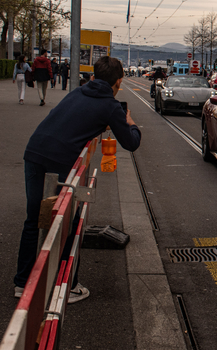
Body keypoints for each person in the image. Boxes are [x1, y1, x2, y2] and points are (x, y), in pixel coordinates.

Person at [14, 56, 141, 304]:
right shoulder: (111, 105)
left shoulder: (79, 91)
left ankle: (22, 282)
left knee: (33, 219)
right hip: (61, 160)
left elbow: (72, 119)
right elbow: (131, 142)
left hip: (35, 152)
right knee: (66, 223)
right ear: (119, 81)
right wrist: (130, 122)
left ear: (94, 76)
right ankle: (67, 286)